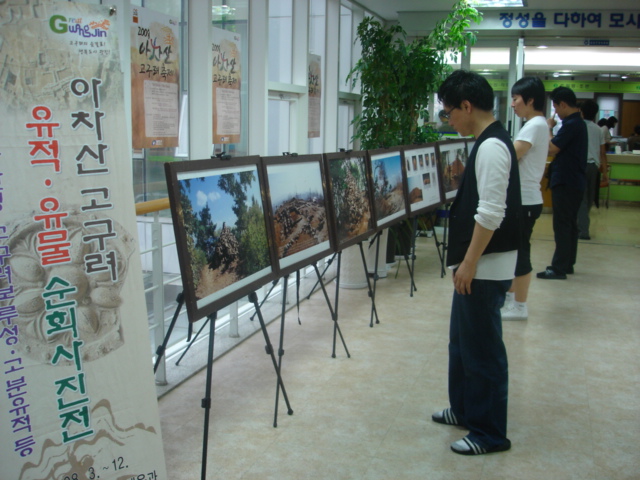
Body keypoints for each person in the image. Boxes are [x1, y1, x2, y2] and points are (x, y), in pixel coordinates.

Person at [431, 70, 521, 456]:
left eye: (449, 113)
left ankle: (489, 433)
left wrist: (468, 264)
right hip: (476, 266)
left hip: (484, 267)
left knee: (483, 350)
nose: (448, 121)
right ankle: (465, 409)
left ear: (467, 106)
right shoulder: (487, 142)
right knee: (462, 344)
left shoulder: (492, 147)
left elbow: (490, 214)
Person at [501, 76, 549, 321]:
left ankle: (519, 306)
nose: (512, 104)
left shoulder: (535, 125)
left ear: (530, 100)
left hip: (526, 200)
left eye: (516, 98)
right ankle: (511, 300)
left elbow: (511, 155)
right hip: (524, 198)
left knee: (520, 251)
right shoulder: (535, 123)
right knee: (513, 250)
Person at [537, 87, 587, 280]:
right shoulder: (577, 123)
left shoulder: (572, 124)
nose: (556, 112)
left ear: (563, 104)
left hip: (567, 182)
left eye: (556, 107)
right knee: (570, 225)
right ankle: (567, 263)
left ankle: (558, 268)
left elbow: (552, 148)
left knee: (562, 225)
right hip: (574, 182)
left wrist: (548, 127)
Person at [577, 99, 608, 240]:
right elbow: (602, 152)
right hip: (594, 167)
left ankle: (583, 230)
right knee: (589, 198)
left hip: (581, 165)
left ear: (581, 111)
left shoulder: (578, 126)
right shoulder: (598, 129)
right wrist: (605, 173)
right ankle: (583, 225)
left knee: (581, 198)